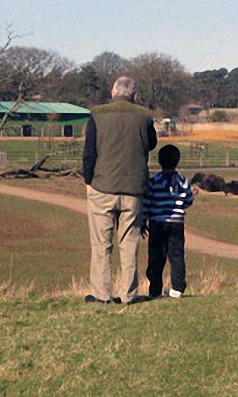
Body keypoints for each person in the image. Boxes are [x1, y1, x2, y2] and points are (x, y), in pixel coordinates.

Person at [83, 76, 157, 305]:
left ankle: (102, 294)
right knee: (129, 243)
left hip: (102, 186)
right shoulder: (144, 116)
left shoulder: (97, 113)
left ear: (112, 92)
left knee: (101, 244)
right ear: (134, 95)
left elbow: (89, 152)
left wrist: (88, 180)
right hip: (134, 189)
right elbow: (151, 143)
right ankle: (129, 294)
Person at [143, 145, 193, 299]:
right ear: (177, 161)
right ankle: (177, 287)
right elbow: (189, 200)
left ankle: (155, 289)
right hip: (177, 223)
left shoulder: (154, 182)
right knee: (177, 254)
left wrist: (144, 218)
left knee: (156, 255)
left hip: (157, 222)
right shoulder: (182, 181)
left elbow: (147, 202)